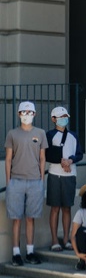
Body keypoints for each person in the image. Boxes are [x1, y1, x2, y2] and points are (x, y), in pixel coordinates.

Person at [4, 101, 47, 266]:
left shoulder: (41, 133)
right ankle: (16, 253)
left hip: (35, 181)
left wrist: (41, 180)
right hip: (16, 181)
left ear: (34, 114)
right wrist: (9, 182)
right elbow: (8, 159)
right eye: (23, 112)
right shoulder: (12, 134)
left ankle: (30, 251)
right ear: (19, 114)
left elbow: (42, 158)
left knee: (31, 218)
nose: (27, 115)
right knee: (16, 219)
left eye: (30, 112)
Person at [45, 106, 83, 251]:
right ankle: (55, 239)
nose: (63, 119)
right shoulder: (49, 135)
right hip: (55, 174)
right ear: (53, 119)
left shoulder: (73, 135)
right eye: (60, 117)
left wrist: (70, 161)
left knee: (67, 207)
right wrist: (61, 161)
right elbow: (47, 154)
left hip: (70, 175)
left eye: (65, 116)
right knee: (55, 208)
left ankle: (66, 238)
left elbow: (79, 153)